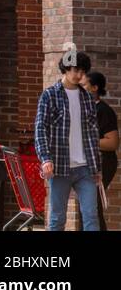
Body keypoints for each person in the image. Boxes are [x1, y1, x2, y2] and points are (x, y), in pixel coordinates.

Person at [35, 51, 102, 230]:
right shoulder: (49, 96)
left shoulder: (87, 98)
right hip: (60, 167)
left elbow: (93, 134)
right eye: (75, 70)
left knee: (91, 216)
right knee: (57, 218)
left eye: (82, 71)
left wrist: (97, 167)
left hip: (85, 168)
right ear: (65, 68)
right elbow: (40, 129)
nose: (79, 75)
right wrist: (45, 158)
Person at [86, 71, 118, 230]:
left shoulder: (104, 111)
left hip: (103, 163)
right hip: (88, 164)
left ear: (94, 88)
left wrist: (86, 142)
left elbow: (112, 143)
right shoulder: (84, 109)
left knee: (92, 205)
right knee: (88, 206)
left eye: (84, 85)